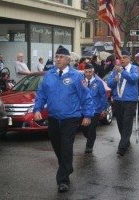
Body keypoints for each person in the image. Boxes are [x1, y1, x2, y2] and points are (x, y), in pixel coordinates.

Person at [33, 45, 94, 192]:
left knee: (66, 147)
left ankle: (63, 180)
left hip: (70, 118)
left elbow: (86, 96)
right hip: (54, 118)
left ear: (68, 60)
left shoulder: (77, 76)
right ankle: (67, 167)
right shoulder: (49, 75)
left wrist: (88, 115)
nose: (58, 59)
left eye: (61, 57)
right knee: (57, 147)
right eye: (56, 57)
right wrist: (37, 109)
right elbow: (41, 94)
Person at [107, 50, 139, 156]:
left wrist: (122, 72)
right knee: (120, 123)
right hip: (118, 100)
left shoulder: (134, 68)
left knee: (127, 122)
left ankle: (122, 147)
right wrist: (115, 80)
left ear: (130, 58)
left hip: (130, 100)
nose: (122, 59)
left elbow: (133, 79)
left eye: (125, 57)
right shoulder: (115, 69)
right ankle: (126, 140)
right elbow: (109, 84)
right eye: (121, 57)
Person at [82, 63, 108, 153]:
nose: (88, 74)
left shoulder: (98, 82)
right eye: (86, 72)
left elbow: (103, 96)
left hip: (95, 110)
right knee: (84, 128)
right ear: (84, 72)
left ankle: (89, 146)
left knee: (92, 128)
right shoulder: (81, 82)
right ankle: (90, 137)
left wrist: (103, 109)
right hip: (83, 110)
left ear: (93, 72)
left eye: (90, 72)